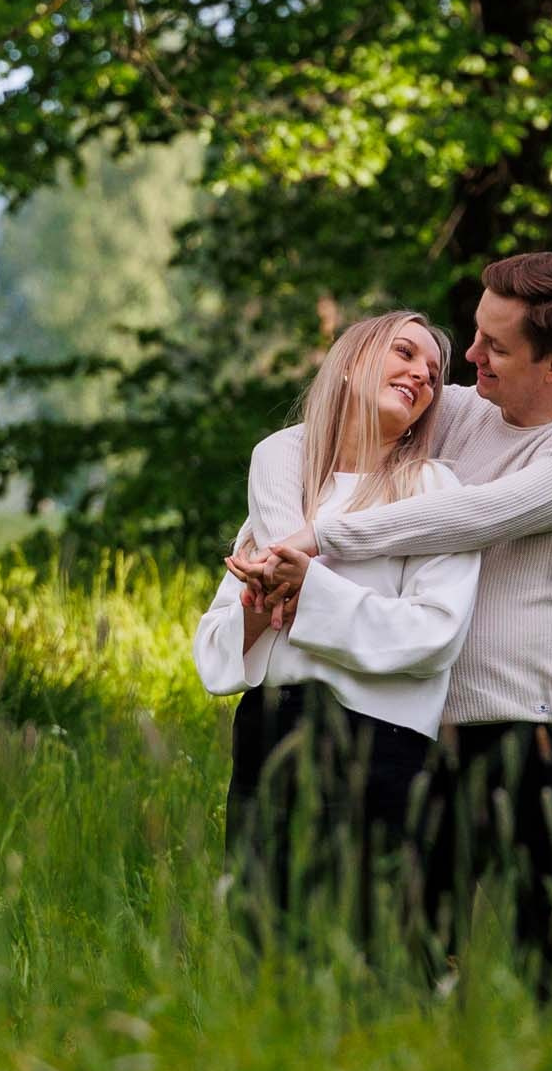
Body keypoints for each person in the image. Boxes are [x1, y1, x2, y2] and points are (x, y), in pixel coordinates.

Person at [243, 249, 552, 998]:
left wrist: (320, 544)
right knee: (411, 962)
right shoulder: (457, 409)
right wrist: (280, 530)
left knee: (537, 970)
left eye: (496, 347)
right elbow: (314, 438)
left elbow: (471, 516)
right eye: (477, 333)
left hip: (530, 735)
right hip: (414, 733)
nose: (472, 357)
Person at [194, 309, 474, 965]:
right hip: (267, 733)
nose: (420, 375)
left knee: (373, 951)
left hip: (380, 743)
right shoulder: (284, 482)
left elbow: (433, 634)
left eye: (432, 373)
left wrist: (307, 590)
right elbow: (216, 651)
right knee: (265, 946)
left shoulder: (435, 490)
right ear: (352, 360)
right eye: (403, 353)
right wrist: (266, 602)